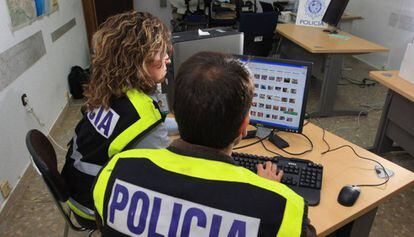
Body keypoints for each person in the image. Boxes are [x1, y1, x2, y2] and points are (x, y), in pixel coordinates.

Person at [93, 52, 316, 236]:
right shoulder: (280, 206)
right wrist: (270, 189)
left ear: (175, 115)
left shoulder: (115, 169)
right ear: (243, 127)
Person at [61, 11, 177, 223]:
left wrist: (186, 123)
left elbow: (149, 126)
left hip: (76, 185)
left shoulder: (113, 88)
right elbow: (166, 172)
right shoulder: (141, 112)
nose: (168, 58)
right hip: (93, 205)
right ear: (138, 61)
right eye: (160, 53)